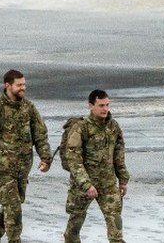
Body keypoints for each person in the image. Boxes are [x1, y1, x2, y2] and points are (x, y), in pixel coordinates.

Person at [0, 69, 54, 243]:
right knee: (13, 209)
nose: (23, 88)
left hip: (22, 169)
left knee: (12, 206)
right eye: (19, 85)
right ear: (8, 85)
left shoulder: (29, 108)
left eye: (24, 84)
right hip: (3, 169)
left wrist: (46, 158)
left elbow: (40, 134)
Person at [62, 89, 129, 243]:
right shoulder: (81, 127)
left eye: (107, 105)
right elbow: (73, 159)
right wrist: (86, 184)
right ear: (91, 106)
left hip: (108, 183)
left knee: (116, 226)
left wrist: (123, 179)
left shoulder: (113, 126)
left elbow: (118, 156)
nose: (105, 109)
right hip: (83, 185)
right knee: (74, 226)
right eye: (101, 105)